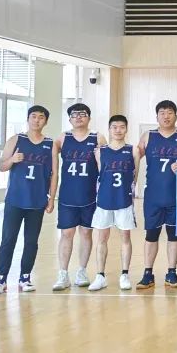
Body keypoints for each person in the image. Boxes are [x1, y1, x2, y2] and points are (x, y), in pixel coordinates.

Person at [0, 105, 56, 294]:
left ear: (45, 121)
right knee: (8, 239)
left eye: (41, 117)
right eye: (33, 116)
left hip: (37, 201)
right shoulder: (16, 139)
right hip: (15, 200)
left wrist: (52, 198)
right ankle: (0, 279)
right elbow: (2, 166)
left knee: (31, 241)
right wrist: (12, 160)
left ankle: (25, 277)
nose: (37, 120)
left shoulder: (50, 144)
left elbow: (54, 174)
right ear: (28, 119)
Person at [136, 100, 177, 290]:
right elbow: (133, 157)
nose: (166, 116)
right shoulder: (147, 136)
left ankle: (171, 272)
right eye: (162, 113)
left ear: (176, 115)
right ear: (157, 116)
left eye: (169, 112)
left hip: (176, 195)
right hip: (153, 196)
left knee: (174, 235)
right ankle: (148, 273)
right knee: (151, 235)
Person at [52, 103, 103, 291]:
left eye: (83, 114)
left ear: (89, 117)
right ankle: (63, 274)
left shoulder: (97, 137)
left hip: (90, 195)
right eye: (75, 114)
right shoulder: (62, 138)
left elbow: (105, 166)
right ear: (70, 119)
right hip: (67, 195)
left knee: (86, 233)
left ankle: (82, 271)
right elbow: (51, 164)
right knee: (66, 234)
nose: (79, 117)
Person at [89, 115, 139, 291]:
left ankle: (124, 275)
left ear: (126, 129)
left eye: (122, 127)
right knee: (101, 238)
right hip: (104, 200)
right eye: (114, 127)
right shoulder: (100, 151)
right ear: (109, 129)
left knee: (125, 237)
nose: (118, 130)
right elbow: (99, 175)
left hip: (123, 200)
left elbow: (134, 176)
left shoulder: (133, 150)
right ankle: (100, 276)